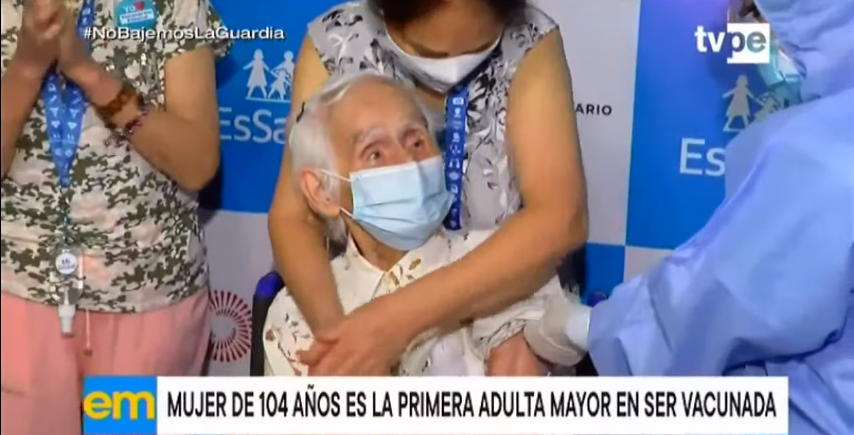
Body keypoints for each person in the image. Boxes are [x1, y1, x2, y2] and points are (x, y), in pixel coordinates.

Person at [524, 0, 853, 433]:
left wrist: (591, 330)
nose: (753, 34)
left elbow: (728, 293)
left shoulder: (823, 153)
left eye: (756, 15)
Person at [268, 0, 588, 376]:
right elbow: (294, 218)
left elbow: (561, 217)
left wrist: (394, 322)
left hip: (504, 301)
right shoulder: (337, 40)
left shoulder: (528, 37)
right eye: (430, 53)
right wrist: (340, 342)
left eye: (477, 47)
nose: (453, 67)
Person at [0, 0, 229, 434]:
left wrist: (88, 72)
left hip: (150, 299)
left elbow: (197, 164)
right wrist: (27, 65)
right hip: (17, 300)